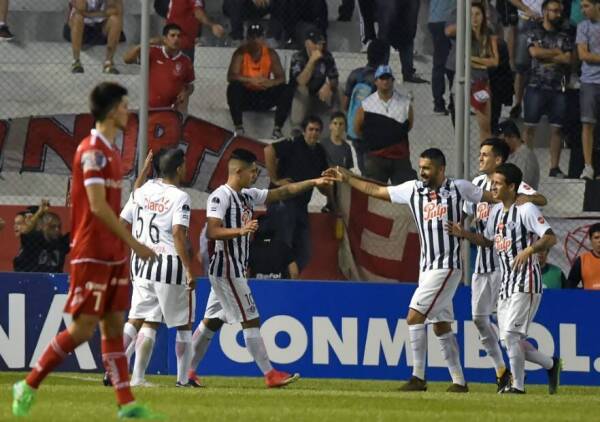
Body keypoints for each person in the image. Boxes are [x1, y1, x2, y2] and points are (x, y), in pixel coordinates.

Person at [12, 82, 159, 418]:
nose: (128, 111)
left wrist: (124, 247)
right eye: (123, 105)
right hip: (91, 252)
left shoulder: (111, 152)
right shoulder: (91, 150)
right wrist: (135, 243)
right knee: (83, 329)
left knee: (112, 326)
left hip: (114, 254)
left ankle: (126, 405)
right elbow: (96, 206)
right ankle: (29, 384)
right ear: (110, 110)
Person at [326, 148, 496, 392]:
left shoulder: (460, 188)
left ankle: (418, 377)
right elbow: (377, 191)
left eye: (427, 168)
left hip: (447, 266)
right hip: (426, 268)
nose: (422, 172)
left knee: (414, 316)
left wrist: (522, 199)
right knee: (441, 325)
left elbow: (493, 197)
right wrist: (348, 179)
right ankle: (459, 381)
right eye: (421, 167)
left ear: (441, 169)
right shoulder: (413, 189)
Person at [186, 148, 333, 387]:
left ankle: (187, 371)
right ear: (238, 171)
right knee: (251, 318)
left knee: (212, 321)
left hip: (232, 269)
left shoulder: (247, 196)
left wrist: (314, 182)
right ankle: (269, 374)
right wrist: (240, 231)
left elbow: (283, 191)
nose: (255, 175)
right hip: (227, 269)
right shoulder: (220, 197)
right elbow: (212, 230)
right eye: (252, 171)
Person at [449, 163, 561, 394]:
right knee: (508, 340)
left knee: (510, 335)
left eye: (498, 183)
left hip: (527, 281)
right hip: (506, 283)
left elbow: (550, 238)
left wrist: (529, 250)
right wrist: (465, 234)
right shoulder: (497, 211)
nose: (493, 187)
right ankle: (551, 365)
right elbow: (489, 242)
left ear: (512, 186)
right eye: (493, 183)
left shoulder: (526, 209)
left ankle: (517, 387)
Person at [463, 138, 547, 390]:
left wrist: (522, 199)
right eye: (479, 154)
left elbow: (540, 199)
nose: (480, 159)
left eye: (485, 155)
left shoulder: (512, 186)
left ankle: (512, 379)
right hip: (483, 262)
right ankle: (513, 367)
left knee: (509, 333)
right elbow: (468, 213)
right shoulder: (477, 185)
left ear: (498, 159)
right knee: (480, 320)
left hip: (506, 269)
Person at [116, 148, 197, 389]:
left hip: (140, 264)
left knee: (140, 318)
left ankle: (124, 373)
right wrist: (189, 268)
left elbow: (122, 221)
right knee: (184, 323)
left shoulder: (141, 191)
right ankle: (183, 380)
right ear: (179, 168)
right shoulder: (180, 197)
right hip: (168, 265)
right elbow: (177, 234)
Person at [264, 115, 332, 271]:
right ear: (304, 131)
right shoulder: (294, 143)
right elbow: (268, 150)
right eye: (311, 129)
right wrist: (275, 180)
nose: (313, 133)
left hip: (301, 206)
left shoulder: (319, 152)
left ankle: (290, 279)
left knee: (305, 252)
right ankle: (279, 280)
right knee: (283, 245)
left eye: (317, 130)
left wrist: (331, 197)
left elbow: (323, 181)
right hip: (283, 202)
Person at [522, 0, 574, 178]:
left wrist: (545, 53)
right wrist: (556, 53)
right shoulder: (534, 31)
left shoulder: (564, 34)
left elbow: (568, 59)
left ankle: (554, 167)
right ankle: (526, 164)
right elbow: (534, 53)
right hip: (536, 85)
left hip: (558, 87)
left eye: (560, 11)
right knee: (529, 128)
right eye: (554, 11)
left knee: (557, 129)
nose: (558, 14)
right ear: (545, 12)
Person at [226, 22, 293, 139]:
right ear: (247, 38)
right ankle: (239, 127)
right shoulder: (241, 53)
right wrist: (251, 80)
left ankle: (277, 129)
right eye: (252, 37)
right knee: (233, 88)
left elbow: (281, 78)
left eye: (258, 37)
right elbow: (231, 76)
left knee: (286, 89)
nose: (255, 40)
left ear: (263, 38)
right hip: (246, 97)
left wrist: (270, 82)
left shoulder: (271, 54)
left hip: (263, 96)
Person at [353, 65, 417, 184]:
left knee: (405, 195)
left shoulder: (405, 103)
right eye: (382, 78)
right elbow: (357, 128)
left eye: (388, 78)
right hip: (375, 158)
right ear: (376, 81)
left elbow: (409, 125)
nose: (385, 81)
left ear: (393, 80)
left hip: (400, 158)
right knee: (374, 197)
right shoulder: (366, 105)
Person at [124, 24, 195, 113]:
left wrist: (186, 93)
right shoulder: (153, 52)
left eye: (179, 36)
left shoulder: (185, 61)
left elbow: (190, 85)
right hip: (151, 109)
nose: (176, 38)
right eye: (172, 35)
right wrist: (144, 44)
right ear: (164, 39)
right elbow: (127, 59)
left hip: (173, 111)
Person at [343, 38, 389, 174]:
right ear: (385, 57)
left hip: (354, 129)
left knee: (363, 166)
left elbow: (345, 104)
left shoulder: (355, 74)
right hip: (372, 134)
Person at [289, 28, 340, 132]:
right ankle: (296, 129)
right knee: (302, 90)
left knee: (340, 90)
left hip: (319, 96)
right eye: (316, 44)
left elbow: (334, 79)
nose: (319, 47)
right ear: (307, 43)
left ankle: (338, 124)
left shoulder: (327, 56)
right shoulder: (298, 57)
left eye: (321, 44)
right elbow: (301, 81)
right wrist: (312, 61)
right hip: (299, 100)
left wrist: (329, 85)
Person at [64, 0, 125, 74]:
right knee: (77, 17)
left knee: (115, 20)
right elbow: (80, 8)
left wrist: (88, 14)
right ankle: (76, 62)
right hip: (83, 27)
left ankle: (108, 63)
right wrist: (103, 13)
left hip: (101, 27)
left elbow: (114, 10)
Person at [376, 0, 429, 84]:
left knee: (387, 41)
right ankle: (407, 73)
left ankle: (384, 71)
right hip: (399, 23)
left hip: (391, 22)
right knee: (404, 41)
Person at [577, 0, 600, 180]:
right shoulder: (583, 26)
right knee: (587, 124)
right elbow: (583, 54)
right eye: (581, 6)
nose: (583, 10)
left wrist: (594, 56)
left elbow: (588, 54)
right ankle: (588, 167)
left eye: (586, 6)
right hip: (589, 81)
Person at [509, 0, 544, 119]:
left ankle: (540, 104)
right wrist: (526, 9)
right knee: (521, 67)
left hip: (546, 20)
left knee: (542, 64)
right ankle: (518, 104)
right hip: (525, 18)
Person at [470, 2, 500, 143]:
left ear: (483, 16)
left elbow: (495, 61)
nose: (474, 18)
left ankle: (485, 159)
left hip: (481, 82)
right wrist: (482, 61)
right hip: (468, 81)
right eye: (471, 15)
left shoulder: (488, 33)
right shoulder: (464, 34)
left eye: (477, 14)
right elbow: (463, 60)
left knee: (485, 127)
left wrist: (474, 60)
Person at [13, 204, 71, 273]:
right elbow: (26, 231)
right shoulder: (34, 239)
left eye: (59, 227)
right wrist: (39, 213)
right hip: (32, 278)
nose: (57, 230)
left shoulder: (61, 242)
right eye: (52, 227)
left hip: (54, 279)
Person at [428, 0, 456, 114]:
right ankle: (451, 101)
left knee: (441, 62)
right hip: (448, 19)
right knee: (451, 62)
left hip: (436, 19)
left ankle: (441, 102)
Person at [496, 119, 540, 188]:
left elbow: (522, 184)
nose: (500, 144)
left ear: (513, 136)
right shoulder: (508, 154)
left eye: (502, 140)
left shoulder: (525, 156)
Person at [566, 223, 600, 289]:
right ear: (590, 239)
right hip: (589, 299)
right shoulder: (582, 260)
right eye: (596, 238)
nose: (599, 241)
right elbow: (570, 285)